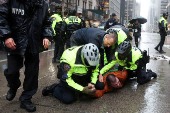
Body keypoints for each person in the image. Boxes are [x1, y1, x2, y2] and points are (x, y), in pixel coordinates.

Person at [0, 0, 52, 112]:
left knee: (32, 74)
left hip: (34, 42)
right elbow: (1, 17)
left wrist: (47, 36)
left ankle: (26, 98)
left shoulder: (43, 4)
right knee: (12, 71)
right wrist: (6, 36)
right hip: (15, 42)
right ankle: (13, 85)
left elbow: (47, 22)